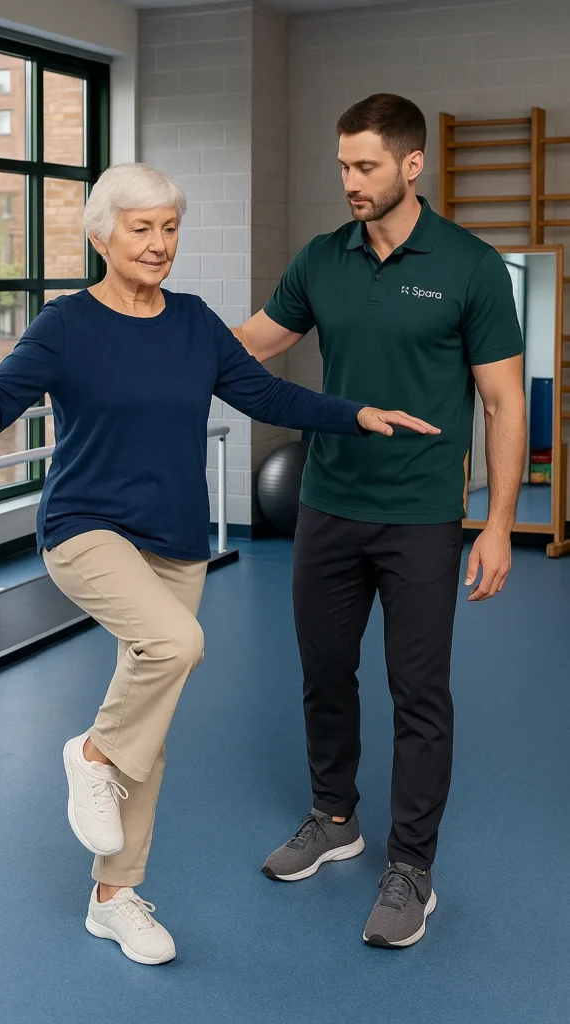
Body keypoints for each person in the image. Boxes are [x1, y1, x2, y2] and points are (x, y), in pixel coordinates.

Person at [0, 162, 439, 967]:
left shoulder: (192, 322)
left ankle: (112, 898)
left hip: (177, 540)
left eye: (168, 228)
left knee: (147, 734)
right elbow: (2, 390)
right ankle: (90, 754)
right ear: (101, 236)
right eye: (140, 228)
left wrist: (354, 413)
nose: (158, 244)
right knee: (174, 647)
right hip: (85, 529)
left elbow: (266, 395)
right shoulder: (66, 323)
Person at [233, 94, 526, 948]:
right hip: (327, 504)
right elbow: (250, 342)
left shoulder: (470, 266)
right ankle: (333, 818)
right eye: (342, 166)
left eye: (364, 166)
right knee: (324, 672)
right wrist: (150, 327)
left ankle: (411, 867)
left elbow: (503, 402)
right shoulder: (322, 259)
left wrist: (498, 524)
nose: (349, 182)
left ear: (410, 164)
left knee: (417, 692)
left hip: (421, 515)